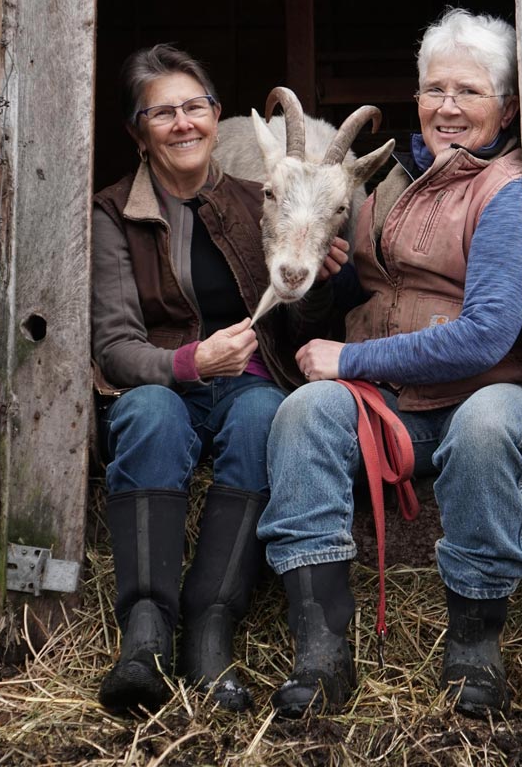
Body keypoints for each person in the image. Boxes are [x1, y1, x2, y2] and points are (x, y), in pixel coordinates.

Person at [258, 8, 522, 719]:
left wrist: (350, 355)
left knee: (488, 429)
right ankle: (322, 648)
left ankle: (474, 645)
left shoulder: (507, 189)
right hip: (387, 408)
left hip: (479, 393)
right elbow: (362, 300)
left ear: (505, 106)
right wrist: (330, 284)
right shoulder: (380, 185)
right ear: (415, 99)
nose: (448, 107)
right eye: (434, 89)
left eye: (469, 92)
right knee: (302, 414)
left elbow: (488, 335)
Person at [91, 44, 343, 714]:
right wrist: (187, 363)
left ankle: (211, 629)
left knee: (266, 418)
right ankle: (144, 635)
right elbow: (115, 347)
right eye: (162, 112)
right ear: (135, 130)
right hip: (161, 382)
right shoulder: (113, 215)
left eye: (194, 107)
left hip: (248, 382)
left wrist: (321, 276)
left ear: (215, 115)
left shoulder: (255, 198)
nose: (182, 123)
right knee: (146, 415)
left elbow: (292, 319)